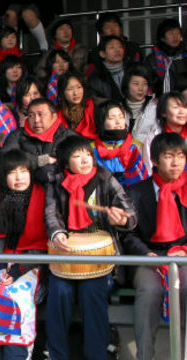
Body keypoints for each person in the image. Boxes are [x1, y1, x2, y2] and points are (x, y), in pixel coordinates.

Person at [44, 135, 136, 360]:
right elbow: (51, 213)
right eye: (77, 156)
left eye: (87, 154)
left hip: (100, 260)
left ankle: (96, 355)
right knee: (59, 292)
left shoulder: (106, 179)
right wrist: (57, 233)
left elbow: (131, 214)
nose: (85, 160)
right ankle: (56, 354)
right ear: (66, 164)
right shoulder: (56, 182)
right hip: (66, 257)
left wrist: (122, 220)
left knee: (92, 293)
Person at [0, 149, 49, 360]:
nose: (19, 177)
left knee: (17, 296)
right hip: (0, 262)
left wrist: (18, 269)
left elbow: (44, 243)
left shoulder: (43, 195)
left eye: (23, 171)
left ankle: (16, 354)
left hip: (33, 263)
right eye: (12, 172)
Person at [123, 132, 187, 360]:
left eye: (180, 156)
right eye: (169, 156)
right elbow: (129, 236)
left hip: (183, 256)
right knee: (150, 291)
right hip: (149, 258)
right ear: (155, 160)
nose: (176, 162)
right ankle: (145, 356)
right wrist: (146, 254)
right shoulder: (136, 192)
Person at [2, 98, 76, 184]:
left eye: (41, 115)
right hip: (25, 188)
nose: (36, 120)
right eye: (31, 115)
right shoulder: (17, 136)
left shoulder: (68, 136)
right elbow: (7, 160)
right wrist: (43, 160)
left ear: (54, 116)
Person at [91, 100, 147, 186]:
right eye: (112, 118)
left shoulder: (137, 146)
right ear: (101, 121)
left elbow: (145, 177)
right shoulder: (91, 149)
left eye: (121, 117)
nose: (118, 122)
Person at [142, 92, 187, 174]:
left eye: (184, 107)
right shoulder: (153, 138)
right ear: (163, 113)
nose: (182, 112)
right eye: (176, 107)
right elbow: (149, 170)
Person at [145, 19, 187, 95]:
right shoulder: (153, 60)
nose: (175, 37)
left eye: (178, 33)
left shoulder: (185, 56)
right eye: (171, 33)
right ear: (162, 38)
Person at [123, 64, 158, 148]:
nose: (141, 88)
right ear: (127, 85)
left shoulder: (155, 108)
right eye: (136, 84)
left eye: (144, 84)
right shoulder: (117, 108)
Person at [56, 71, 98, 139]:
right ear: (62, 92)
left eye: (79, 87)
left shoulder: (93, 106)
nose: (75, 93)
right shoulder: (57, 114)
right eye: (70, 89)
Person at [87, 36, 128, 103]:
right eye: (112, 47)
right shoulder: (96, 76)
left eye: (120, 47)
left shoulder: (132, 70)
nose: (117, 50)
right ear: (102, 54)